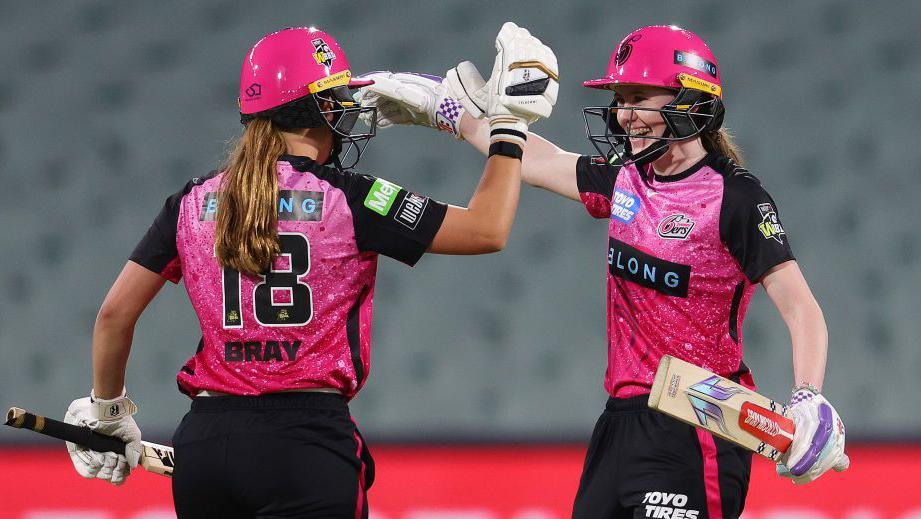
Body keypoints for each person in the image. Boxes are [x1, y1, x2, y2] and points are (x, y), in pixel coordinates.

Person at [61, 24, 557, 518]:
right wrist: (508, 130)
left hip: (207, 443)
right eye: (338, 95)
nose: (348, 106)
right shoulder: (351, 196)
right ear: (319, 108)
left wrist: (107, 411)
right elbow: (487, 230)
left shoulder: (190, 201)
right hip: (306, 442)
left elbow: (113, 316)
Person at [358, 24, 848, 518]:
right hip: (620, 425)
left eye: (638, 96)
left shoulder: (737, 198)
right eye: (620, 98)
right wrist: (449, 113)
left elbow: (801, 306)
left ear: (690, 103)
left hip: (698, 427)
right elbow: (539, 159)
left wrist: (808, 395)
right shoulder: (626, 181)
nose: (624, 113)